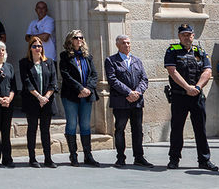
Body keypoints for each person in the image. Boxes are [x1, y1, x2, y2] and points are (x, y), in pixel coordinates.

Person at [164, 23, 217, 171]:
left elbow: (207, 72)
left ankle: (204, 160)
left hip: (197, 96)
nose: (187, 37)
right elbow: (172, 71)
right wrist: (187, 88)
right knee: (177, 128)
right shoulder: (172, 50)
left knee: (200, 129)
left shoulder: (200, 51)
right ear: (179, 36)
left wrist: (198, 87)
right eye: (183, 34)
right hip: (179, 96)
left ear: (193, 36)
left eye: (189, 34)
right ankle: (174, 159)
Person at [104, 34, 152, 168]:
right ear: (117, 45)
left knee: (137, 130)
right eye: (124, 43)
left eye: (129, 43)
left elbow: (144, 79)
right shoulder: (111, 60)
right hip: (121, 102)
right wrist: (129, 92)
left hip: (136, 102)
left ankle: (139, 157)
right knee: (120, 129)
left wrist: (138, 92)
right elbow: (112, 80)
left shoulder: (137, 60)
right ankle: (120, 158)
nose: (127, 45)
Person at [57, 29, 99, 167]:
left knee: (85, 125)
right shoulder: (64, 56)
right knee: (72, 124)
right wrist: (80, 88)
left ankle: (88, 155)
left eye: (81, 37)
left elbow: (94, 74)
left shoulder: (87, 56)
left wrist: (88, 89)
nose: (79, 40)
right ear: (70, 40)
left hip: (86, 96)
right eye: (76, 37)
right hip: (71, 95)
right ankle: (73, 155)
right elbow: (65, 75)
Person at [18, 34, 57, 168]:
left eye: (39, 46)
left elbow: (53, 82)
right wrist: (38, 97)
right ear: (30, 48)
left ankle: (48, 158)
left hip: (47, 102)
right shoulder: (24, 63)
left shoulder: (49, 62)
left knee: (45, 130)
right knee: (32, 129)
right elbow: (27, 82)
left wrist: (46, 97)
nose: (37, 48)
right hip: (32, 101)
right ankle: (32, 158)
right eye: (34, 46)